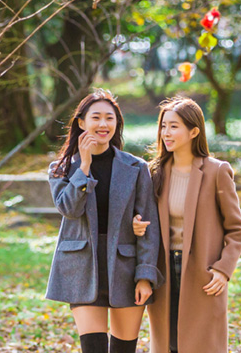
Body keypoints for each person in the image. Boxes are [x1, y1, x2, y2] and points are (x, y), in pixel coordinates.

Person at [45, 90, 162, 353]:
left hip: (125, 267)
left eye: (110, 118)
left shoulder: (136, 168)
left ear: (117, 124)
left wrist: (145, 275)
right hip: (82, 268)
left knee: (123, 349)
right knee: (93, 348)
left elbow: (149, 226)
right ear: (81, 123)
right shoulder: (61, 168)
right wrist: (84, 166)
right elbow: (69, 208)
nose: (103, 124)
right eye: (95, 117)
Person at [132, 95, 241, 353]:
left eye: (174, 126)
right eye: (163, 126)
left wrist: (222, 270)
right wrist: (137, 225)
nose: (165, 133)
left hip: (201, 273)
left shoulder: (217, 172)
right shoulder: (154, 173)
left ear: (194, 131)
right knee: (168, 343)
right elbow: (144, 219)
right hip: (163, 272)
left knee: (201, 344)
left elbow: (236, 229)